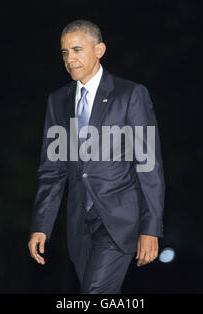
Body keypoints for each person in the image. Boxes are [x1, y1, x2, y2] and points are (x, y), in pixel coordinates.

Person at [28, 19, 165, 294]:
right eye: (65, 52)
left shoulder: (130, 95)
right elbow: (53, 169)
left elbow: (148, 163)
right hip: (79, 223)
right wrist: (41, 225)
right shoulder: (58, 101)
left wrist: (150, 228)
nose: (70, 59)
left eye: (77, 50)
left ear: (99, 50)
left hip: (119, 221)